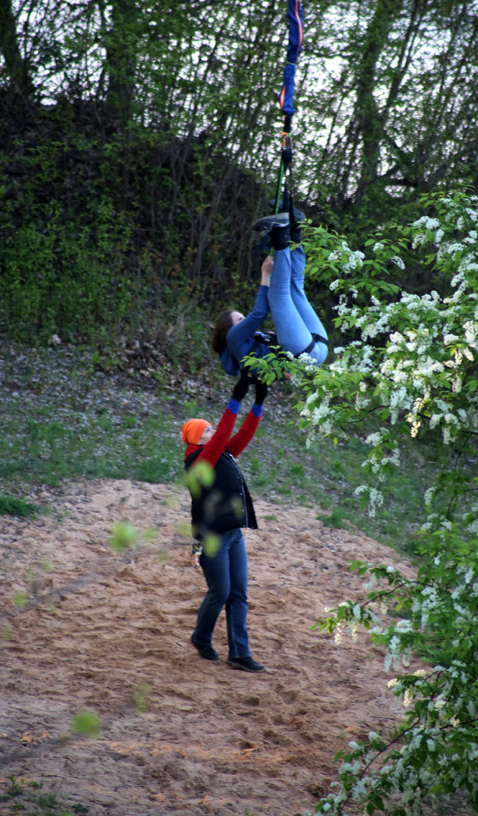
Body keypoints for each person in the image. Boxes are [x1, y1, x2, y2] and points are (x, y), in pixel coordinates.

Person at [182, 370, 267, 673]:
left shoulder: (223, 454)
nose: (212, 433)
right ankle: (201, 637)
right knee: (221, 591)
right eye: (205, 431)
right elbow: (221, 438)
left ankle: (239, 653)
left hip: (232, 534)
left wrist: (257, 403)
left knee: (239, 592)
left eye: (210, 431)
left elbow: (241, 436)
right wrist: (236, 397)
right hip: (211, 537)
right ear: (195, 439)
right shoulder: (198, 462)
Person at [211, 210, 328, 378]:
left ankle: (295, 231)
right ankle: (281, 231)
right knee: (279, 295)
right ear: (227, 329)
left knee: (296, 290)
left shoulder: (253, 343)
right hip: (307, 353)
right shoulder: (233, 337)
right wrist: (265, 276)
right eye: (240, 319)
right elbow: (259, 313)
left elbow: (282, 372)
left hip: (317, 346)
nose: (245, 320)